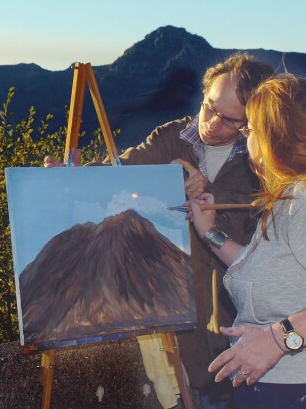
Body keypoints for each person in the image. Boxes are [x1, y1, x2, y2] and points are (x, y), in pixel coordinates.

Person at [45, 53, 275, 408]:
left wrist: (211, 205)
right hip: (173, 318)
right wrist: (74, 178)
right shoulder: (171, 136)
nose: (212, 124)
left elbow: (265, 233)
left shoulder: (267, 158)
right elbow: (122, 173)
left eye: (230, 120)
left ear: (252, 122)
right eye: (209, 107)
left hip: (240, 323)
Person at [188, 74, 306, 409]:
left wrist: (276, 339)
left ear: (276, 136)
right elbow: (273, 273)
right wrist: (210, 233)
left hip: (299, 390)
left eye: (251, 130)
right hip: (277, 387)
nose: (248, 140)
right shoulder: (291, 197)